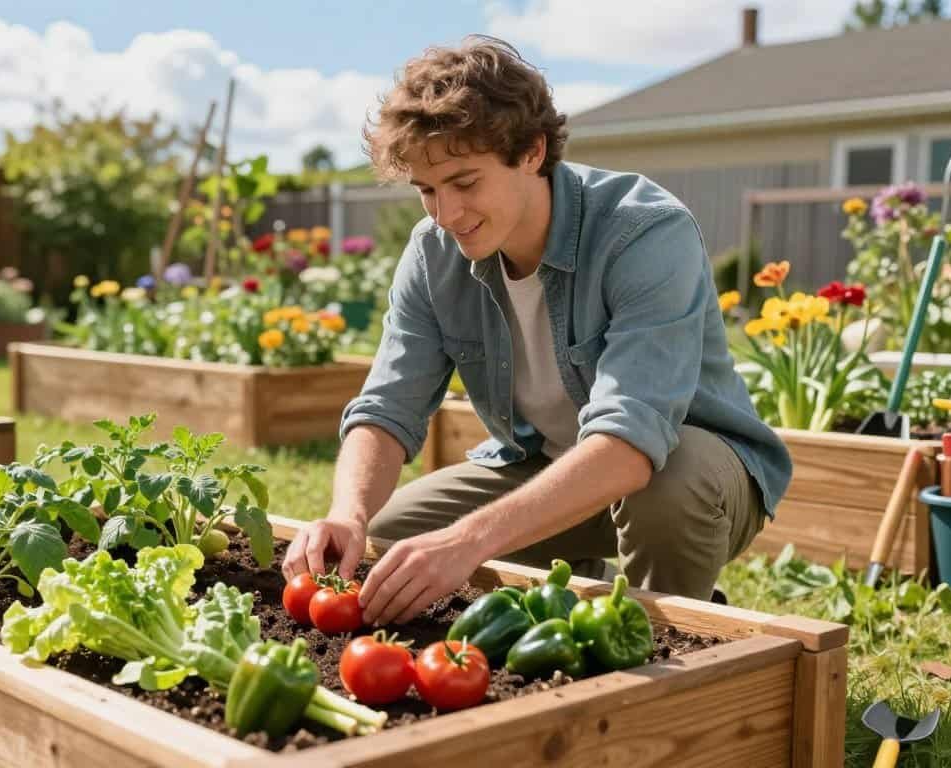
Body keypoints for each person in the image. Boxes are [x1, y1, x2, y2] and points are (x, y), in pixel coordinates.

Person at [281, 35, 791, 627]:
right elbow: (386, 408)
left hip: (688, 468)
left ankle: (677, 636)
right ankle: (572, 587)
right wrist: (348, 513)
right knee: (394, 540)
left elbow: (631, 443)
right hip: (541, 464)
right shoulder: (433, 253)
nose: (446, 215)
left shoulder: (644, 231)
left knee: (667, 487)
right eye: (427, 191)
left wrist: (469, 542)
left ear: (530, 152)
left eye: (465, 183)